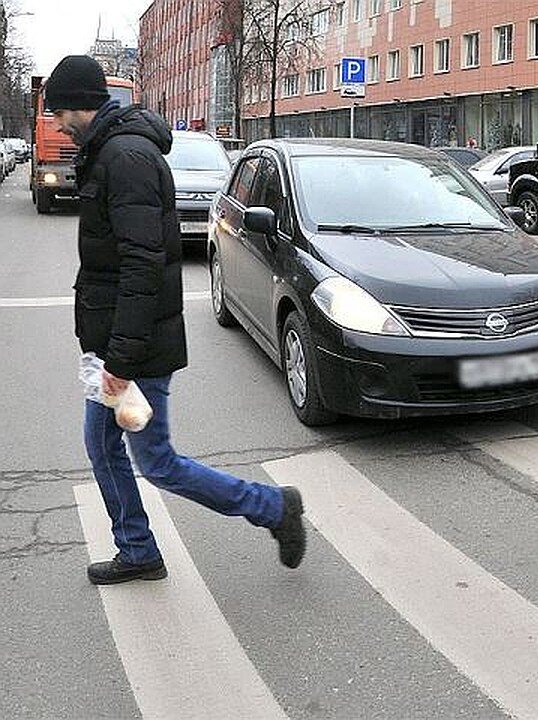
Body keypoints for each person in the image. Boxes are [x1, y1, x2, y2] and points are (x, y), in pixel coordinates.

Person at [45, 55, 307, 585]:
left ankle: (274, 508)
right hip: (112, 345)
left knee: (157, 461)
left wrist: (118, 361)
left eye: (56, 113)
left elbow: (143, 267)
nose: (54, 124)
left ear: (77, 106)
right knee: (102, 446)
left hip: (132, 351)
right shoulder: (108, 153)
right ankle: (138, 549)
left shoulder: (126, 159)